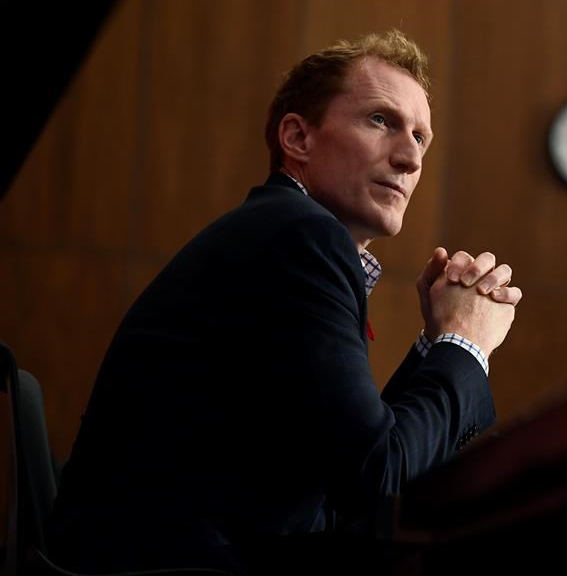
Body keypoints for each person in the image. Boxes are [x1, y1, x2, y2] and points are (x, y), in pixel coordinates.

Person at [48, 30, 521, 574]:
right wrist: (466, 345)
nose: (411, 158)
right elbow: (377, 481)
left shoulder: (285, 235)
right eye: (381, 121)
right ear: (297, 137)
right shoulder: (301, 239)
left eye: (421, 137)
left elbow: (346, 464)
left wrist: (439, 342)